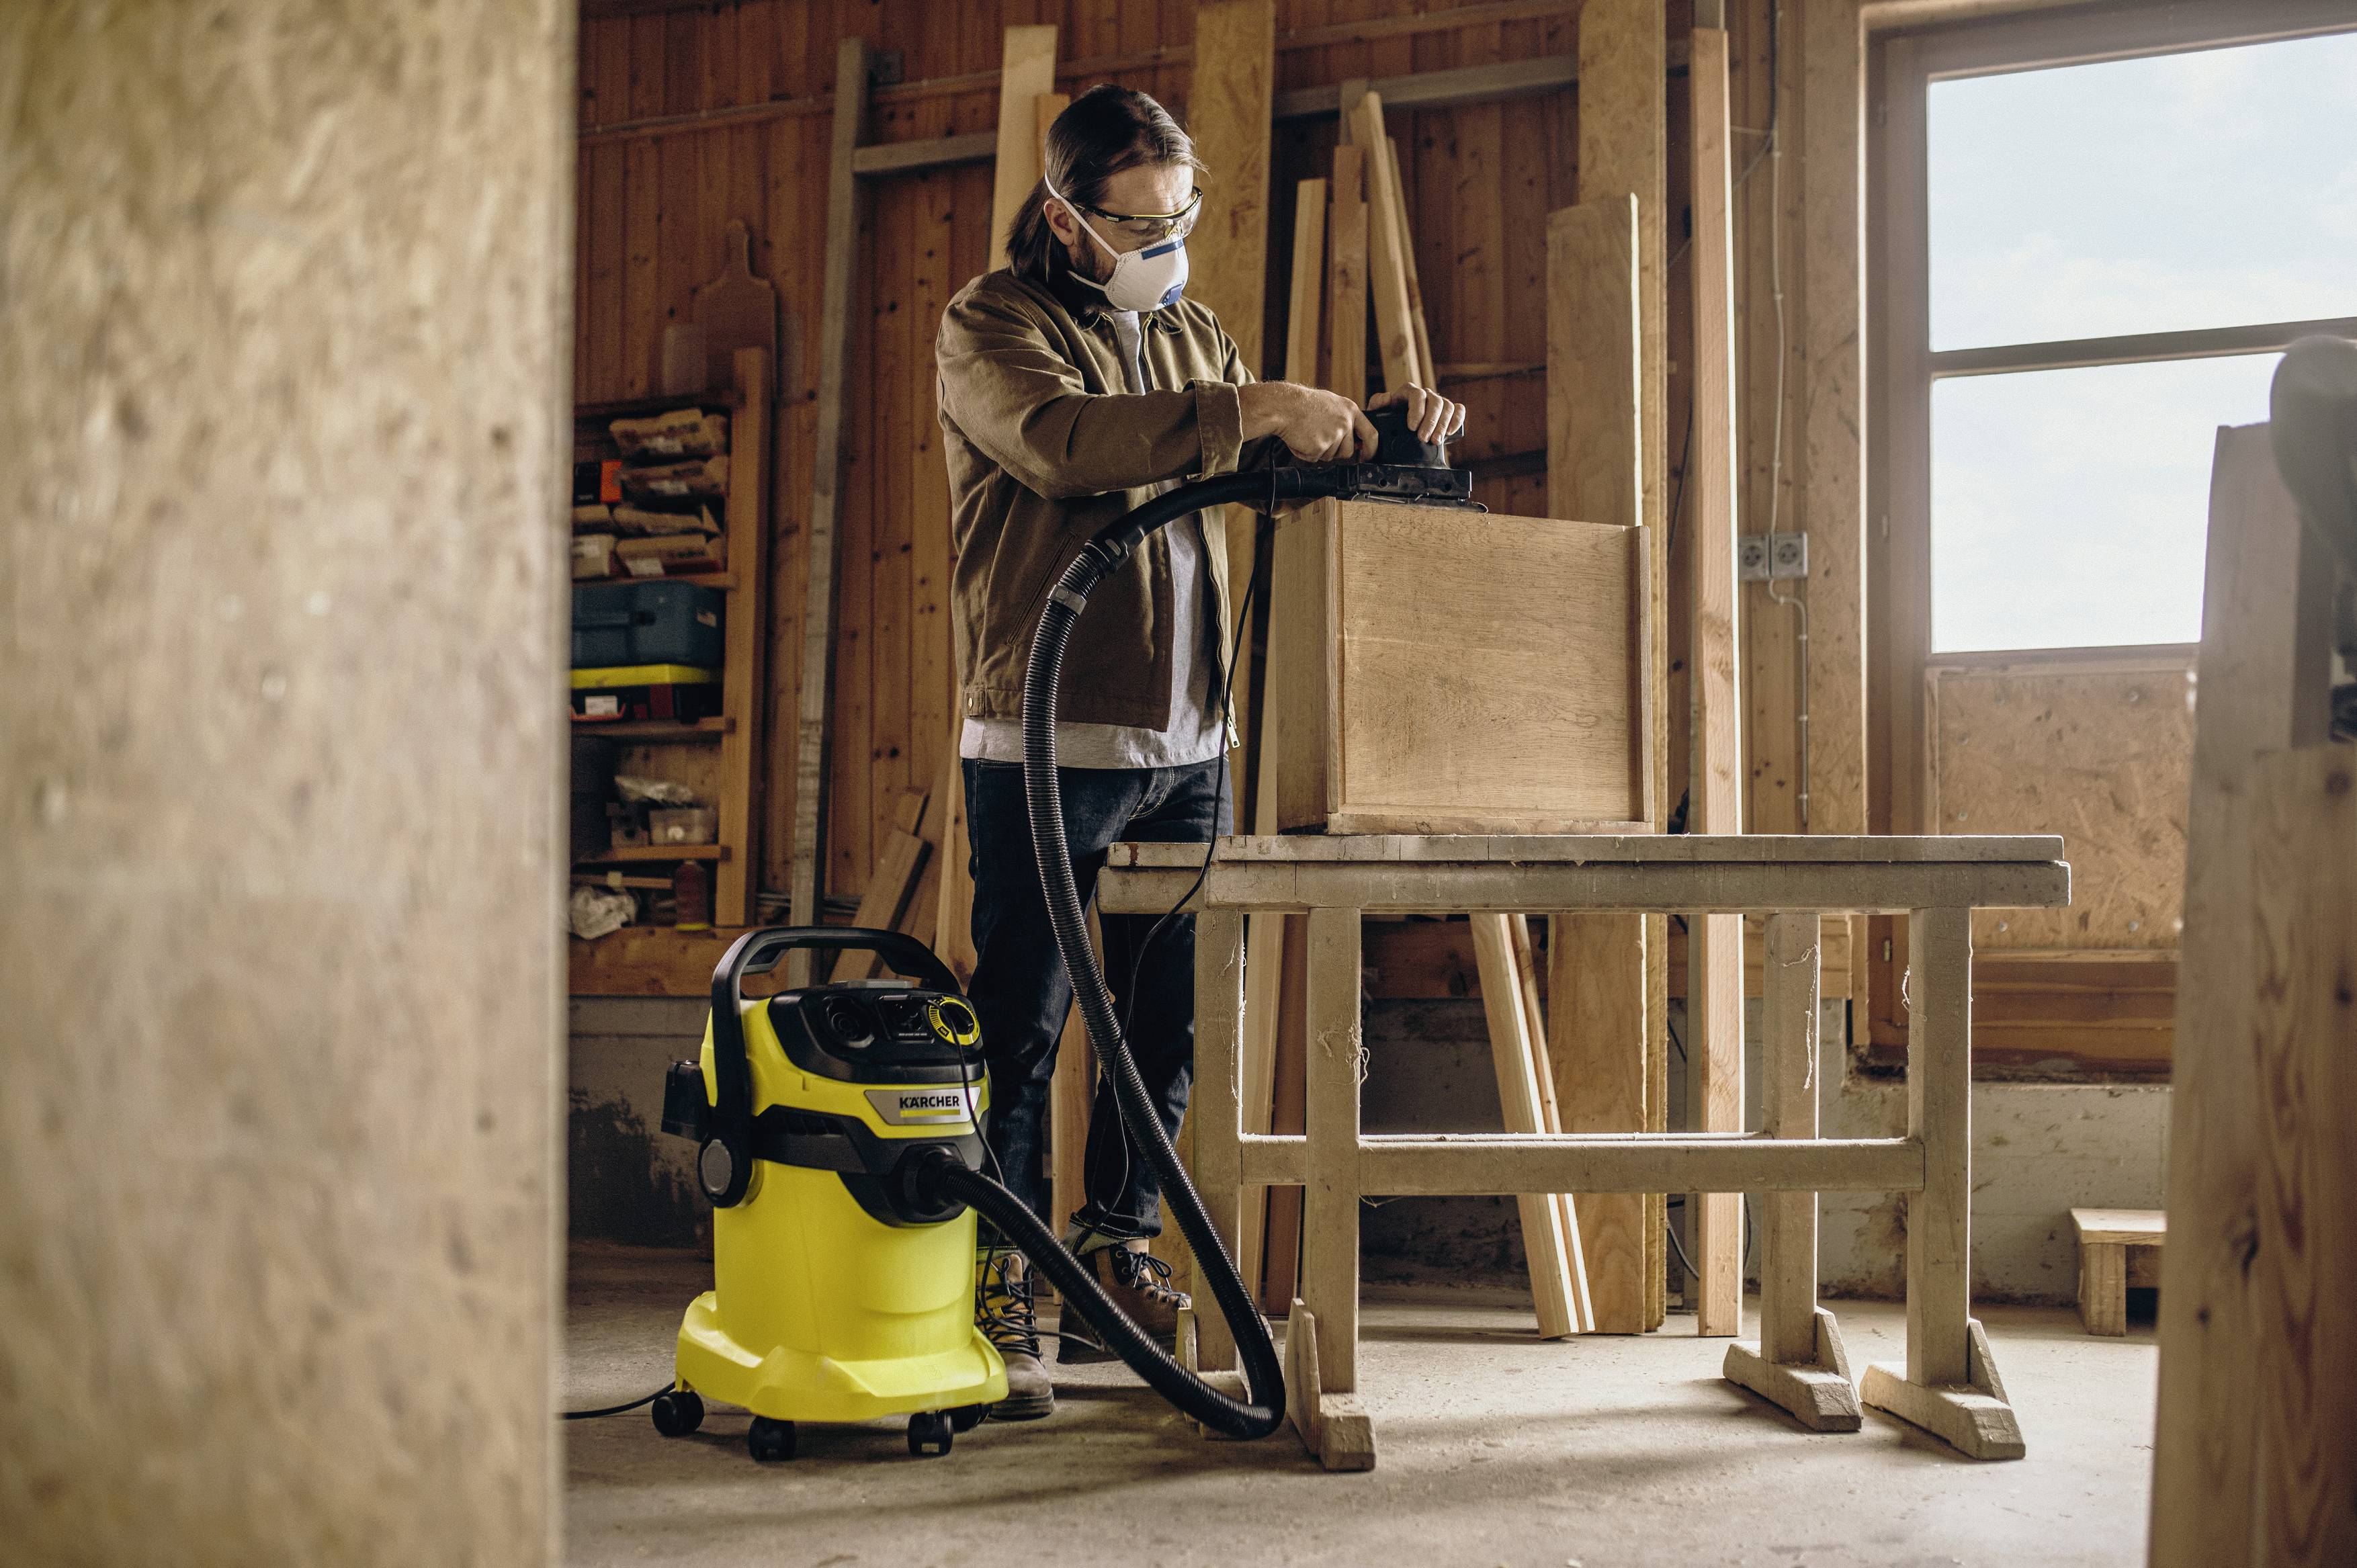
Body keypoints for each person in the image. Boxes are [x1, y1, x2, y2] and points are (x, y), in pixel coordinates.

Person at [933, 83, 1465, 1422]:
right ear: (1065, 215)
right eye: (1136, 220)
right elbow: (1061, 450)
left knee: (1162, 1026)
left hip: (1188, 739)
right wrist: (1253, 406)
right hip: (1049, 731)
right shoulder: (992, 325)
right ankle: (997, 1277)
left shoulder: (1191, 333)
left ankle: (1111, 1253)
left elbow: (1255, 463)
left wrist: (1374, 434)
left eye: (1180, 215)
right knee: (1024, 1016)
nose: (1164, 240)